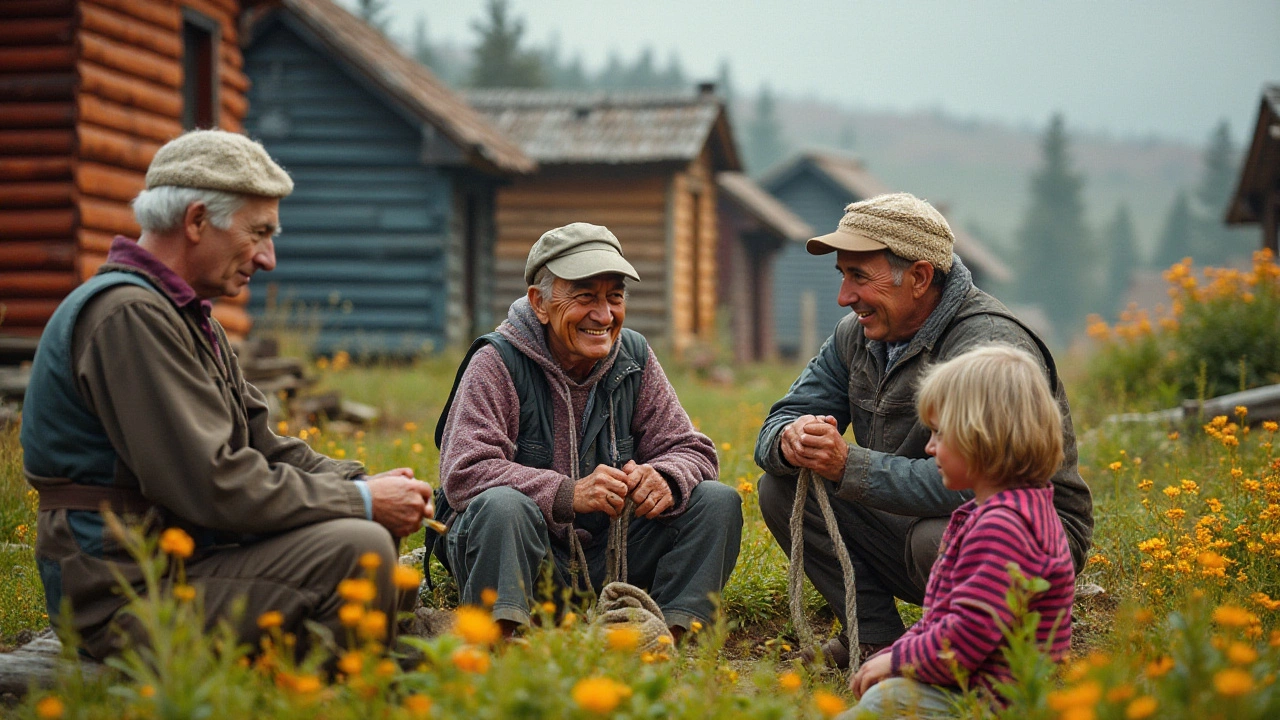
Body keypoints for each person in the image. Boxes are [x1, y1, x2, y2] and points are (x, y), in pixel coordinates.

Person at [21, 130, 435, 659]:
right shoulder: (131, 316)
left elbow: (264, 445)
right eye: (259, 232)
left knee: (369, 550)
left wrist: (360, 482)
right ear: (196, 222)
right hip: (125, 596)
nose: (268, 259)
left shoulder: (188, 320)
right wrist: (360, 503)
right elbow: (212, 484)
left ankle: (349, 674)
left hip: (185, 566)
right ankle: (330, 690)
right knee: (361, 548)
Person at [754, 192, 1092, 668]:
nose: (844, 297)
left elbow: (983, 484)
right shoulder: (855, 333)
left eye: (859, 277)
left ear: (918, 277)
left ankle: (981, 651)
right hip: (915, 515)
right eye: (842, 275)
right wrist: (791, 440)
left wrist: (849, 464)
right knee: (781, 486)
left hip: (1027, 531)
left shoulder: (988, 346)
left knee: (942, 536)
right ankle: (872, 637)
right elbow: (778, 421)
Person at [435, 222, 742, 640]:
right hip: (526, 558)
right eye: (584, 297)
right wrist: (568, 493)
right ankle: (503, 639)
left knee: (716, 501)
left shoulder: (632, 356)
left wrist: (665, 477)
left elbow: (692, 450)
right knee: (503, 507)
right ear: (539, 303)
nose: (603, 315)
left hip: (609, 559)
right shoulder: (497, 362)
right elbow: (464, 472)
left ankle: (667, 637)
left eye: (614, 297)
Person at [840, 344, 1075, 718]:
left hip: (988, 701)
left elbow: (968, 633)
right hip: (977, 687)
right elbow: (943, 618)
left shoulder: (1003, 526)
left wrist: (897, 662)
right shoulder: (1005, 510)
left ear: (982, 437)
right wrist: (895, 655)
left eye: (938, 433)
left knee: (886, 702)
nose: (930, 448)